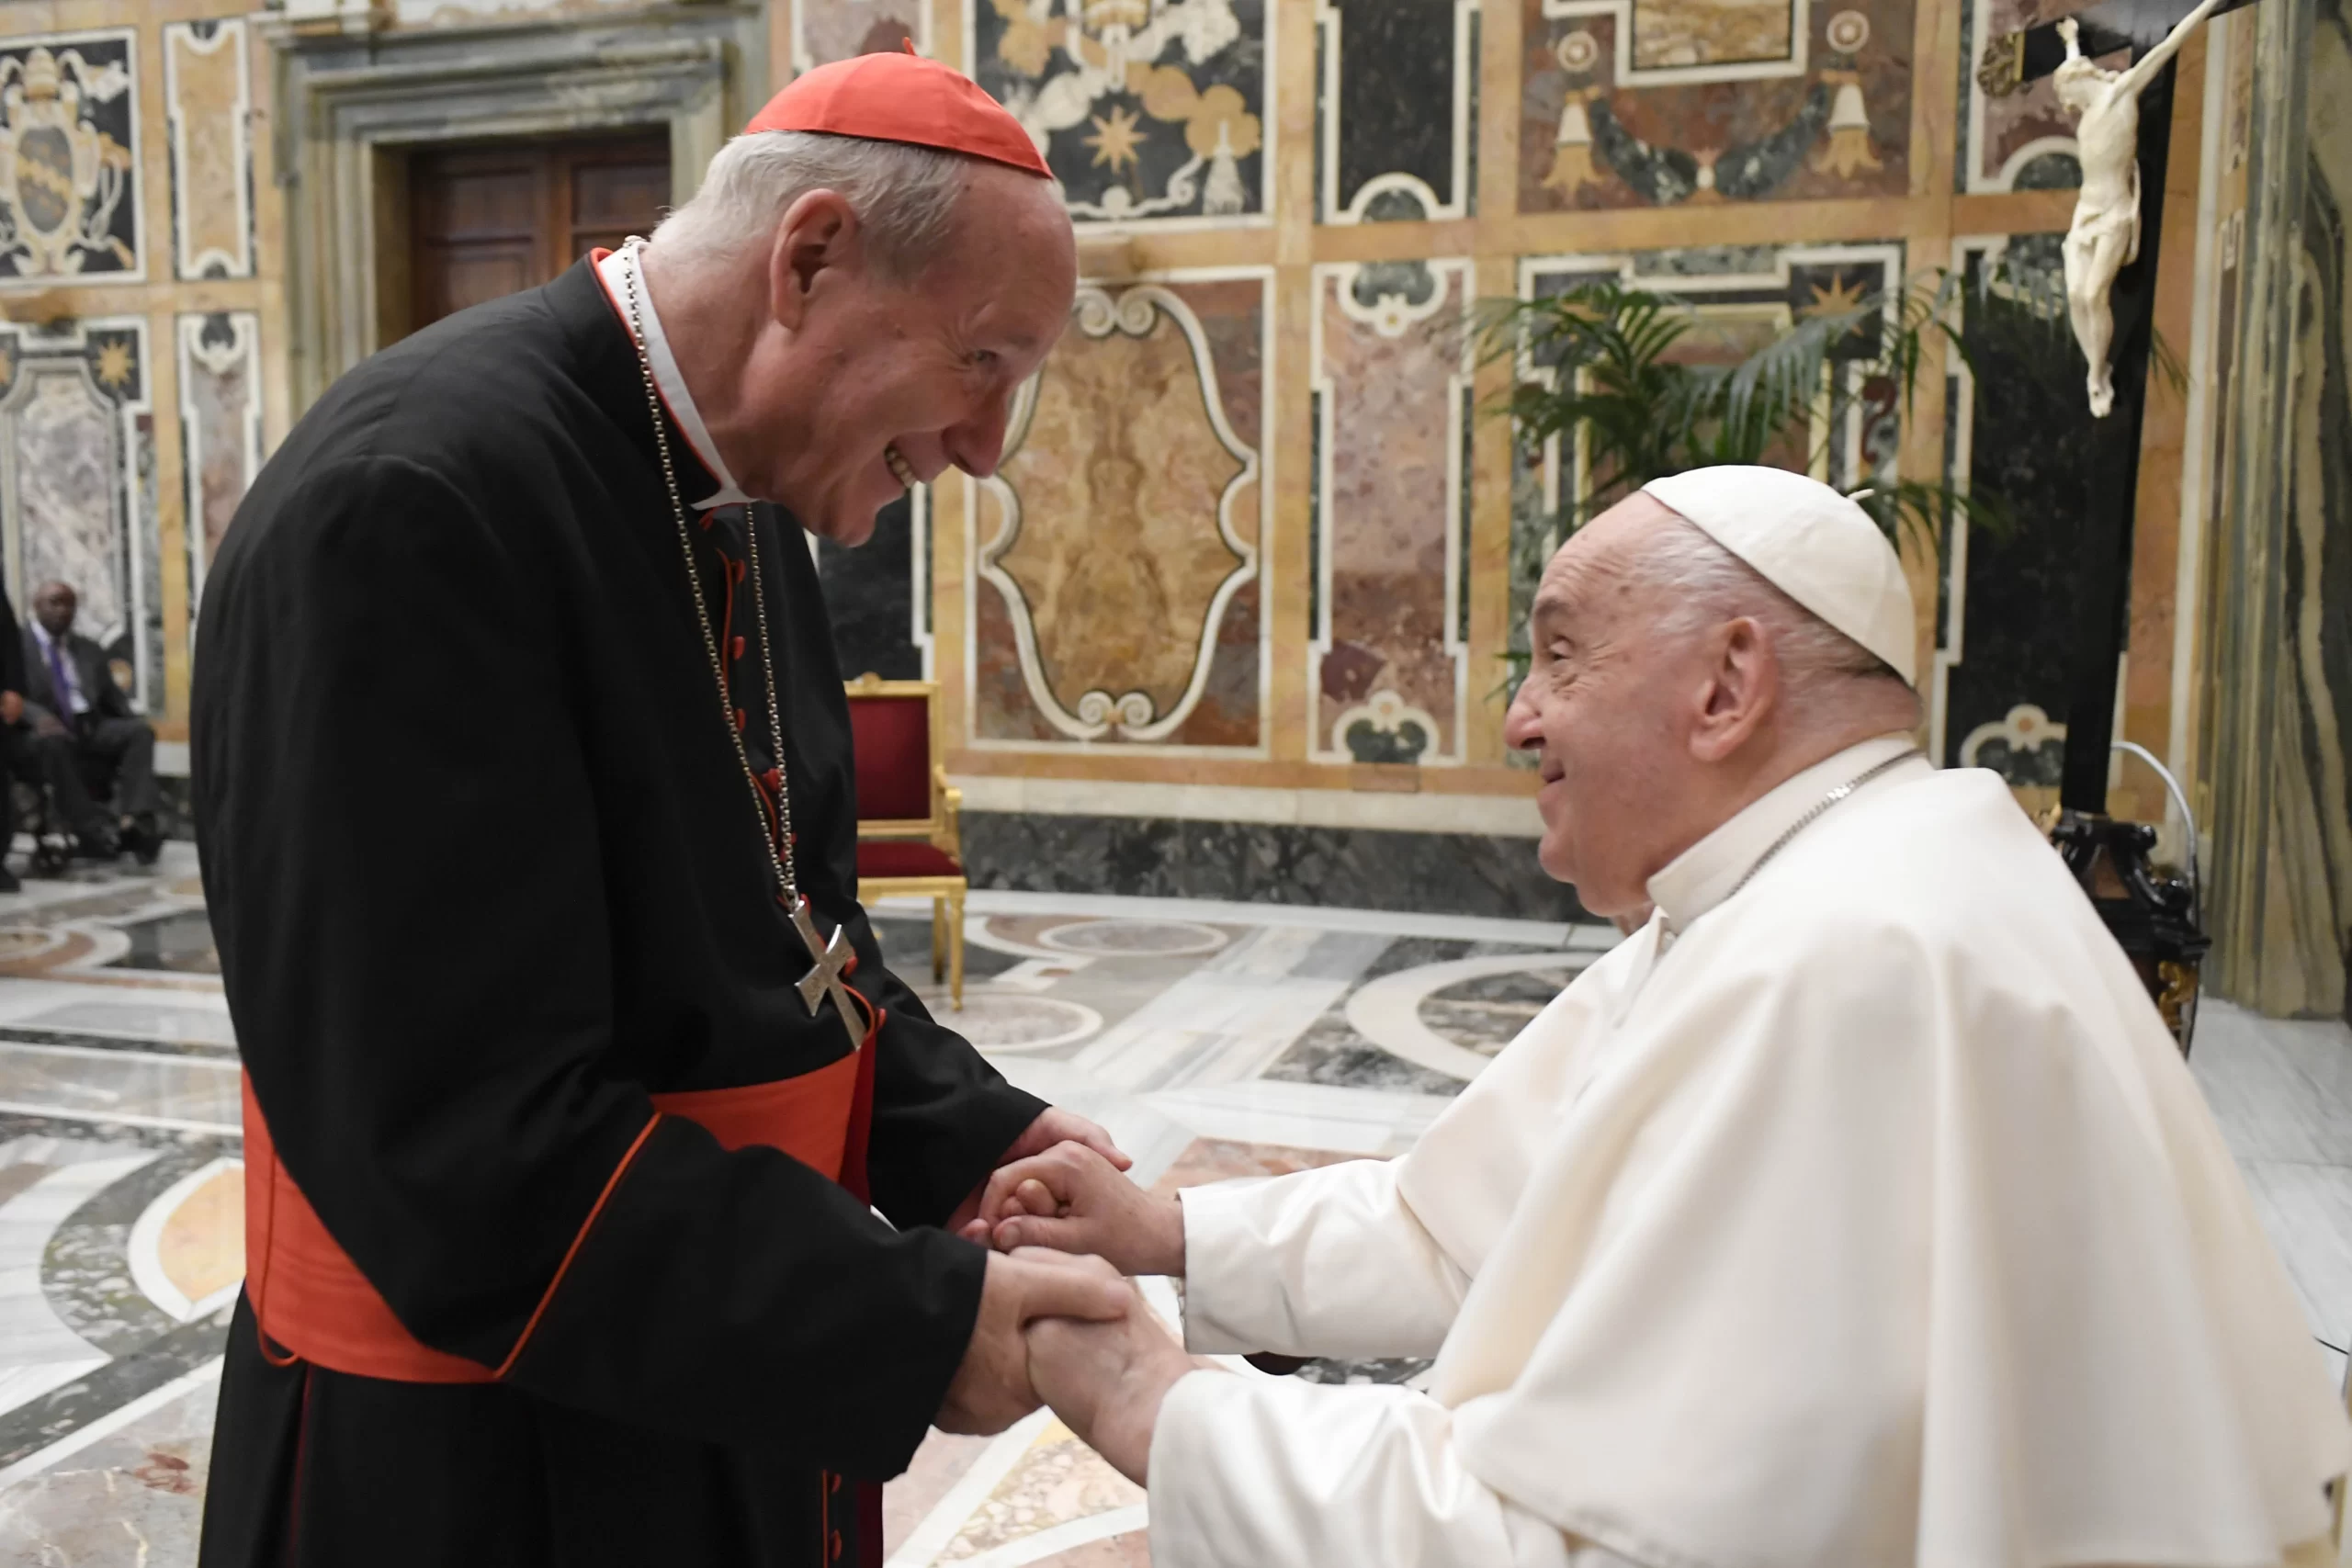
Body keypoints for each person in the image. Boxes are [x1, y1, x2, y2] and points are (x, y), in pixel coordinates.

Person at [977, 467, 2352, 1568]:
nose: (1519, 716)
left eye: (1559, 656)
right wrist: (1161, 1231)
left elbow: (1580, 1537)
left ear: (1726, 685)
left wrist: (1144, 1395)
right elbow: (1466, 1225)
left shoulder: (1842, 963)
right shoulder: (1808, 879)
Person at [193, 50, 1138, 1568]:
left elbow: (787, 941)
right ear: (811, 257)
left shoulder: (739, 486)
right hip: (487, 1458)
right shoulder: (411, 507)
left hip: (697, 1378)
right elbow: (454, 1139)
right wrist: (904, 1324)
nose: (983, 447)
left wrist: (974, 1135)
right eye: (983, 365)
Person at [20, 580, 162, 863]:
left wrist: (131, 720)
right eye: (55, 602)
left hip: (88, 726)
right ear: (36, 606)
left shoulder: (88, 649)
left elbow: (114, 700)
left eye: (69, 604)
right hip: (42, 730)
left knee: (138, 732)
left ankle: (133, 820)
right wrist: (36, 715)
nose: (63, 610)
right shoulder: (17, 646)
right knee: (54, 742)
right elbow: (9, 693)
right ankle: (92, 829)